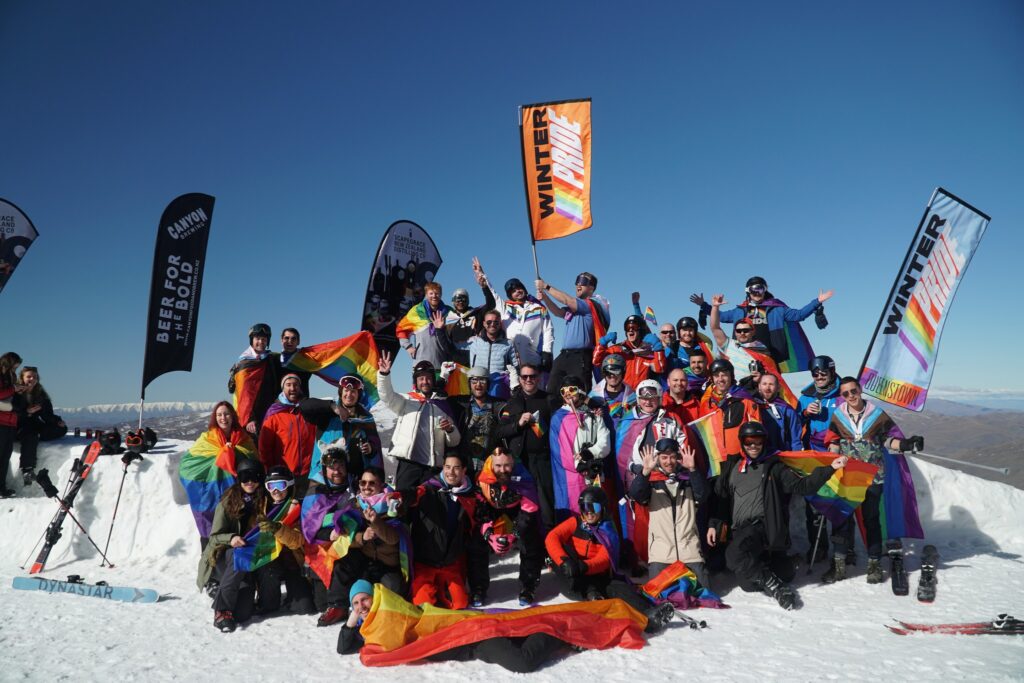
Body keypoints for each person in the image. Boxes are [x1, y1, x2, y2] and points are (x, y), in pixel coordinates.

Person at [707, 422, 847, 610]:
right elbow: (723, 500)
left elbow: (802, 486)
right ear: (742, 443)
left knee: (733, 556)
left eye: (758, 441)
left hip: (763, 526)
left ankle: (777, 587)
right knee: (749, 584)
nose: (753, 446)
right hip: (741, 531)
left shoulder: (774, 467)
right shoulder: (732, 468)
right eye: (749, 441)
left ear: (764, 442)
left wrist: (830, 468)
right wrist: (714, 523)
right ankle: (784, 566)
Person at [338, 581, 572, 672]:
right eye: (356, 603)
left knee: (522, 662)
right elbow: (343, 647)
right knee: (520, 638)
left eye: (365, 599)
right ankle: (548, 629)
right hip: (470, 647)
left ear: (376, 598)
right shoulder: (370, 631)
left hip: (472, 635)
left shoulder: (394, 614)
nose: (361, 606)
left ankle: (559, 634)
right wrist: (351, 619)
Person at [822, 377, 925, 585]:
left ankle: (874, 564)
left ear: (860, 390)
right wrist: (832, 457)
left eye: (853, 391)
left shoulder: (876, 414)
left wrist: (906, 444)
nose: (850, 396)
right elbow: (833, 440)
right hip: (848, 477)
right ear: (841, 396)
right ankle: (839, 565)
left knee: (871, 520)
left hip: (873, 476)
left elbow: (888, 440)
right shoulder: (839, 415)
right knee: (842, 520)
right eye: (845, 393)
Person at [545, 486, 675, 633]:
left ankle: (649, 614)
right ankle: (592, 594)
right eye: (584, 507)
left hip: (592, 574)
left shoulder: (608, 530)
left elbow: (604, 559)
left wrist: (584, 566)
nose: (588, 512)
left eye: (593, 507)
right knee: (565, 549)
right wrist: (564, 561)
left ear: (603, 508)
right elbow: (552, 537)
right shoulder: (575, 522)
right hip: (572, 580)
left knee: (619, 587)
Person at [692, 277, 833, 370]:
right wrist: (706, 306)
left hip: (769, 358)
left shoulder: (777, 309)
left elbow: (799, 315)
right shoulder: (740, 311)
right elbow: (720, 317)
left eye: (760, 289)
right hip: (742, 358)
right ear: (748, 291)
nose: (757, 293)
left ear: (765, 290)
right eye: (754, 290)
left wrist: (817, 301)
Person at [404, 454, 485, 610]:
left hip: (450, 563)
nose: (451, 472)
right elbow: (412, 494)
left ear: (464, 471)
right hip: (425, 562)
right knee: (423, 607)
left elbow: (476, 524)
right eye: (447, 467)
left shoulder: (469, 495)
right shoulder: (429, 489)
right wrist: (399, 497)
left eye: (456, 468)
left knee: (460, 604)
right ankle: (432, 590)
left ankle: (441, 590)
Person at [178, 402, 259, 547]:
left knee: (238, 530)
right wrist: (223, 454)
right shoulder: (207, 439)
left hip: (239, 492)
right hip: (212, 494)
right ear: (215, 418)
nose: (223, 418)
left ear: (233, 416)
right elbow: (188, 464)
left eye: (227, 414)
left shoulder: (244, 439)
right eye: (219, 415)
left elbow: (253, 461)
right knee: (214, 530)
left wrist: (234, 452)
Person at [629, 439, 709, 585]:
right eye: (664, 457)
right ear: (658, 458)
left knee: (704, 590)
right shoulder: (652, 483)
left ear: (678, 458)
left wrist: (693, 470)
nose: (669, 461)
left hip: (689, 551)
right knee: (658, 594)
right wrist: (645, 472)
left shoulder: (688, 480)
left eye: (672, 457)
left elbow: (703, 495)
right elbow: (636, 494)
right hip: (661, 554)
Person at [377, 351, 460, 489]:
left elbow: (454, 441)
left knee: (428, 506)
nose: (425, 382)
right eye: (421, 378)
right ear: (415, 382)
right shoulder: (406, 401)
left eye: (428, 378)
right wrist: (384, 375)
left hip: (431, 468)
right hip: (408, 464)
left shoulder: (442, 405)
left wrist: (450, 430)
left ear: (433, 380)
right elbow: (387, 396)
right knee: (404, 503)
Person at [301, 448, 365, 627]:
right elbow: (309, 527)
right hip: (322, 547)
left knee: (345, 560)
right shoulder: (316, 490)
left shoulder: (355, 485)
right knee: (320, 603)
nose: (337, 471)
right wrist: (330, 534)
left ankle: (338, 605)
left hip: (353, 543)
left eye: (341, 466)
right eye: (332, 467)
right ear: (324, 469)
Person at [475, 448, 545, 605]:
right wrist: (489, 535)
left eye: (507, 465)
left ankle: (528, 586)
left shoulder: (523, 477)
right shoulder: (482, 477)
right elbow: (479, 509)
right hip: (491, 513)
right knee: (476, 540)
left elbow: (529, 510)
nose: (502, 470)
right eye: (498, 465)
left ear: (513, 463)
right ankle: (478, 588)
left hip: (516, 512)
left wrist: (513, 534)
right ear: (492, 463)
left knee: (530, 539)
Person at [496, 363, 555, 530]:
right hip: (520, 462)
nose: (529, 380)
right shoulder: (513, 403)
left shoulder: (548, 399)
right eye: (525, 377)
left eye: (532, 376)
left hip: (543, 461)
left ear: (539, 378)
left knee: (546, 506)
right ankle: (522, 544)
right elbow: (500, 432)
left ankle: (548, 546)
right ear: (520, 379)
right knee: (521, 505)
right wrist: (518, 424)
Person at [535, 272, 610, 402]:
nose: (578, 285)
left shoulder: (589, 305)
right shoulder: (574, 308)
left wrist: (546, 286)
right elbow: (558, 312)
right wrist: (545, 297)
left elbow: (567, 300)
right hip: (564, 355)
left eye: (583, 283)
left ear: (591, 288)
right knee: (552, 391)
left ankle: (583, 419)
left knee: (579, 393)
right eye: (577, 282)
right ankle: (554, 419)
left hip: (580, 357)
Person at [477, 258, 554, 385]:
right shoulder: (505, 307)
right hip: (511, 356)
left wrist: (547, 352)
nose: (517, 291)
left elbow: (548, 330)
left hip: (532, 355)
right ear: (509, 295)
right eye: (513, 291)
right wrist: (482, 274)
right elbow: (493, 293)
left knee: (535, 389)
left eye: (519, 288)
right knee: (514, 391)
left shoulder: (538, 308)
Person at [299, 375, 382, 490]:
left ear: (359, 394)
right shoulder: (327, 414)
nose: (349, 395)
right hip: (323, 480)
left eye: (353, 391)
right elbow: (304, 406)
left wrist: (370, 449)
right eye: (346, 390)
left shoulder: (365, 419)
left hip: (353, 481)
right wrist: (333, 408)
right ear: (340, 391)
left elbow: (376, 449)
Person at [797, 355, 843, 563]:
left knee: (839, 502)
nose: (819, 377)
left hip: (838, 452)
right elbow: (794, 422)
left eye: (823, 373)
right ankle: (820, 546)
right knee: (814, 502)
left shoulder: (843, 393)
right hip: (814, 454)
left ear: (832, 372)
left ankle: (843, 549)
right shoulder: (806, 396)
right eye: (815, 374)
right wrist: (805, 413)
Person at [549, 375, 611, 520]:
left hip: (593, 474)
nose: (568, 394)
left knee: (595, 514)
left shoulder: (593, 416)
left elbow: (604, 441)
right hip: (570, 477)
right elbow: (560, 453)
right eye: (563, 391)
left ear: (581, 391)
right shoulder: (559, 418)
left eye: (572, 390)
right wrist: (580, 466)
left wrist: (591, 454)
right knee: (574, 516)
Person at [349, 466, 406, 596]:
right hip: (366, 562)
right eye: (363, 482)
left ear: (381, 485)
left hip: (388, 565)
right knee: (360, 593)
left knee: (394, 590)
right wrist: (362, 537)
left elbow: (393, 538)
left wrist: (376, 522)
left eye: (372, 483)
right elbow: (345, 539)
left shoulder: (393, 505)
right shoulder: (356, 505)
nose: (366, 487)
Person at [258, 374, 317, 496]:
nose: (292, 388)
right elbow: (265, 447)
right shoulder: (274, 415)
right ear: (283, 388)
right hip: (284, 475)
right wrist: (270, 470)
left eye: (295, 385)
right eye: (288, 385)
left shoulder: (308, 411)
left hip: (309, 473)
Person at [227, 323, 283, 436]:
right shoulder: (245, 364)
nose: (261, 342)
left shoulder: (271, 359)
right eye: (257, 338)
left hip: (271, 411)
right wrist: (249, 418)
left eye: (264, 339)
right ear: (251, 340)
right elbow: (243, 395)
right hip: (253, 419)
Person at [14, 366, 66, 485]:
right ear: (22, 378)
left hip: (34, 424)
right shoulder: (15, 393)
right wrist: (27, 412)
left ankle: (40, 434)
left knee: (61, 429)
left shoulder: (40, 394)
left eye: (35, 377)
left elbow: (47, 415)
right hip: (17, 426)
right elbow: (11, 413)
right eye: (29, 377)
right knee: (30, 435)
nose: (32, 379)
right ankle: (27, 470)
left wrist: (58, 421)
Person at [452, 366, 505, 473]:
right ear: (469, 384)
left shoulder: (499, 405)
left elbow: (515, 407)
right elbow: (438, 399)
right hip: (465, 465)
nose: (478, 385)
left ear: (488, 384)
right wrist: (442, 380)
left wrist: (515, 388)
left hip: (490, 463)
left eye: (482, 381)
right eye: (474, 381)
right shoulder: (460, 403)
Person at [593, 313, 665, 391]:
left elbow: (660, 368)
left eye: (634, 327)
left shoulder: (649, 351)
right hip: (622, 394)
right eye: (627, 327)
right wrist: (602, 344)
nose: (630, 330)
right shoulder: (618, 350)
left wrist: (658, 348)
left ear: (641, 330)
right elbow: (596, 361)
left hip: (642, 396)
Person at [445, 263, 497, 365]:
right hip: (456, 358)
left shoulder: (476, 313)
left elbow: (491, 304)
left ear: (468, 300)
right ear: (453, 302)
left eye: (463, 299)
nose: (460, 302)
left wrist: (484, 286)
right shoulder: (447, 317)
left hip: (476, 355)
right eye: (457, 299)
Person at [397, 282, 456, 367]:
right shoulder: (416, 311)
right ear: (426, 294)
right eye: (431, 293)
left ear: (441, 294)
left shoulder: (449, 312)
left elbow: (457, 333)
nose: (434, 296)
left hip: (444, 364)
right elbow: (401, 329)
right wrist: (408, 347)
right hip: (421, 364)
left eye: (437, 293)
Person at [460, 309, 516, 397]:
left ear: (500, 324)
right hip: (478, 385)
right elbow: (453, 349)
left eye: (496, 322)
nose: (492, 325)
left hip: (498, 387)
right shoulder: (474, 342)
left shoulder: (508, 344)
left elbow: (515, 366)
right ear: (484, 323)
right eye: (489, 322)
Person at [756, 373, 802, 452]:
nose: (767, 388)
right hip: (759, 457)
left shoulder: (788, 410)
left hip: (782, 457)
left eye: (771, 384)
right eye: (764, 384)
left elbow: (795, 440)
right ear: (759, 387)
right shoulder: (753, 407)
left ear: (778, 387)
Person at [587, 353, 636, 425]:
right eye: (608, 372)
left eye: (616, 371)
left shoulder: (633, 398)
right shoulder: (593, 397)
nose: (612, 375)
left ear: (623, 373)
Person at [0, 352, 23, 497]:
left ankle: (2, 488)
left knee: (5, 457)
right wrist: (14, 389)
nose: (15, 369)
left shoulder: (11, 377)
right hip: (1, 420)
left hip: (10, 421)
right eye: (15, 366)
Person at [279, 327, 312, 397]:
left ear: (298, 341)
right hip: (280, 405)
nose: (290, 341)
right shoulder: (273, 359)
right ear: (281, 340)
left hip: (301, 404)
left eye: (293, 338)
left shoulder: (307, 359)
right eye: (286, 338)